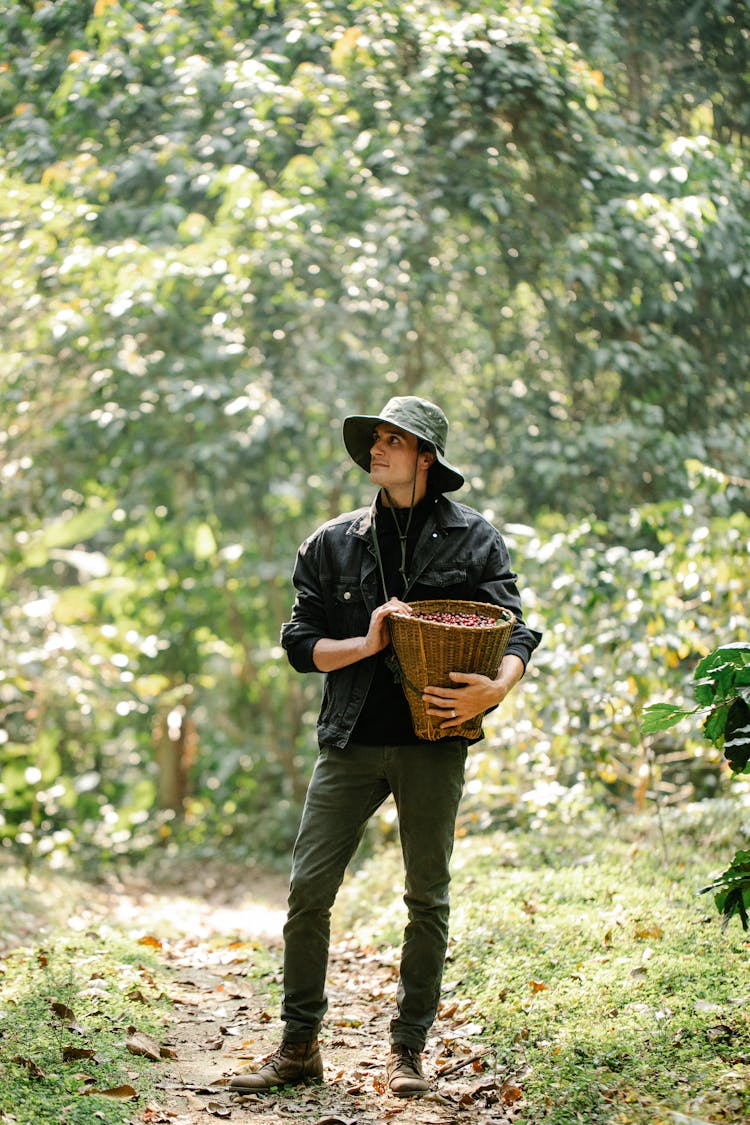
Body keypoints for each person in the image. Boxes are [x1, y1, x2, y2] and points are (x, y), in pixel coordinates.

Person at [228, 396, 541, 1097]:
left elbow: (517, 630)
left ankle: (407, 1052)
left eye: (393, 439)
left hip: (435, 739)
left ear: (425, 456)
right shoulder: (331, 542)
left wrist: (492, 691)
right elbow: (300, 645)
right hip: (349, 742)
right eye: (374, 438)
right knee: (308, 891)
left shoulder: (474, 539)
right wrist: (367, 642)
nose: (376, 449)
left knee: (426, 897)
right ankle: (298, 1046)